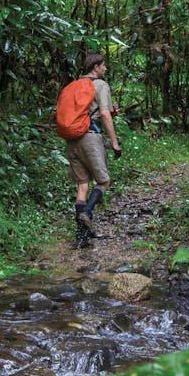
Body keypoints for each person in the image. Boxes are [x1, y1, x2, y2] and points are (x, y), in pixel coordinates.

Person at [67, 52, 121, 248]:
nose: (105, 69)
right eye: (103, 66)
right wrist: (115, 142)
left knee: (82, 184)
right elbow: (104, 114)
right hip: (90, 137)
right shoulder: (100, 85)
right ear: (96, 67)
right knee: (104, 181)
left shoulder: (74, 85)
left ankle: (82, 237)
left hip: (72, 139)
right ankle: (86, 213)